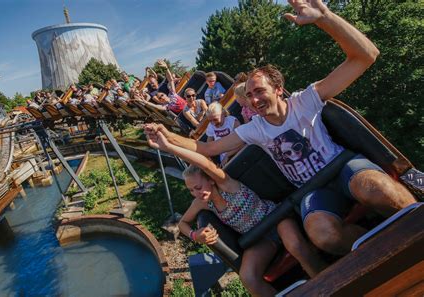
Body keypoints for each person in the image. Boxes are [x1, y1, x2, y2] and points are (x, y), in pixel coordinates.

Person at [144, 0, 416, 256]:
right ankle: (382, 253)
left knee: (377, 189)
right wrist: (167, 139)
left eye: (259, 91)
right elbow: (206, 147)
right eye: (249, 96)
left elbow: (365, 56)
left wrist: (326, 18)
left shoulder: (306, 100)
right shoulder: (256, 129)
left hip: (341, 166)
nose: (254, 100)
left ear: (278, 89)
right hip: (313, 189)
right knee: (323, 236)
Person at [146, 129, 326, 297]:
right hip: (261, 239)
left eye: (198, 187)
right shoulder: (202, 203)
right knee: (248, 277)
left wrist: (169, 147)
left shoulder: (226, 184)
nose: (196, 193)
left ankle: (326, 285)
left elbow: (205, 163)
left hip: (276, 221)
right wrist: (195, 234)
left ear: (211, 180)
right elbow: (183, 223)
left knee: (296, 245)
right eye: (191, 191)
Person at [205, 102, 242, 166]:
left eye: (215, 119)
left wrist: (227, 155)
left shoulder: (232, 121)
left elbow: (242, 141)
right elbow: (209, 145)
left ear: (223, 114)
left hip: (238, 152)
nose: (213, 123)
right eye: (210, 121)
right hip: (224, 159)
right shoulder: (211, 126)